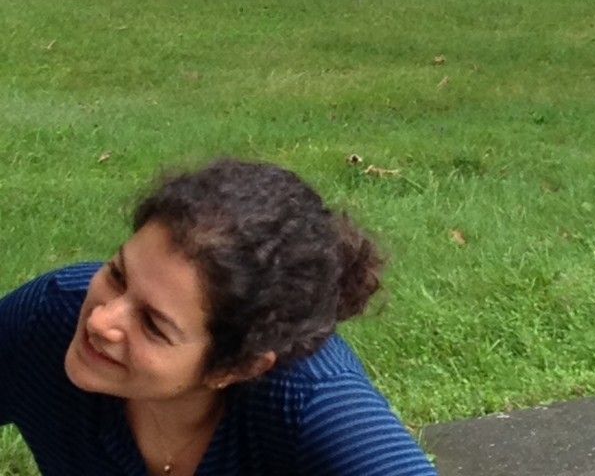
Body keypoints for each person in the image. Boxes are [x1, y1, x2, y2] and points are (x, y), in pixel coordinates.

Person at [0, 158, 438, 475]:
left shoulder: (312, 407)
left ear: (236, 366)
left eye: (153, 325)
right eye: (117, 275)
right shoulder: (50, 319)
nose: (100, 320)